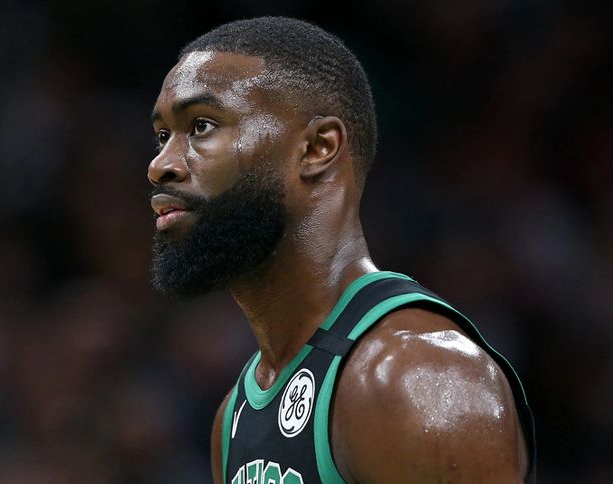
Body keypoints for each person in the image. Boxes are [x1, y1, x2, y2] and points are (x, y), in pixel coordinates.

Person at [147, 17, 536, 484]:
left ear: (317, 148)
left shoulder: (417, 376)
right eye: (162, 136)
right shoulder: (233, 417)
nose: (160, 165)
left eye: (201, 126)